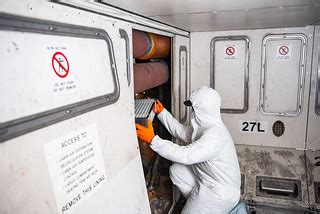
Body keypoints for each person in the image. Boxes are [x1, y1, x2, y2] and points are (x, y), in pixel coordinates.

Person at [135, 86, 241, 214]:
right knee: (176, 171)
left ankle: (202, 208)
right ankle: (198, 205)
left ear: (203, 110)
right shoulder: (204, 128)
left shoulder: (215, 136)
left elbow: (185, 155)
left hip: (219, 194)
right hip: (208, 181)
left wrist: (153, 140)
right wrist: (162, 112)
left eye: (193, 108)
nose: (191, 111)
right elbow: (180, 131)